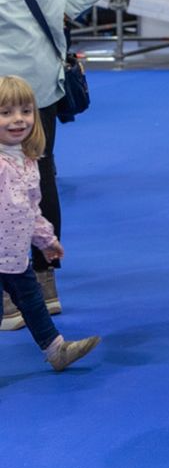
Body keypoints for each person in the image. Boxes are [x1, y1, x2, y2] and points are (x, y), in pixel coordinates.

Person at [0, 0, 123, 333]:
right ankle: (43, 281)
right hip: (39, 80)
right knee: (38, 174)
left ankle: (9, 296)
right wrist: (62, 10)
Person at [0, 74, 99, 371]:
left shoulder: (28, 161)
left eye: (25, 111)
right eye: (5, 113)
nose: (18, 120)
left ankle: (57, 350)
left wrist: (46, 240)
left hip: (16, 256)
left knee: (32, 302)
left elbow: (32, 208)